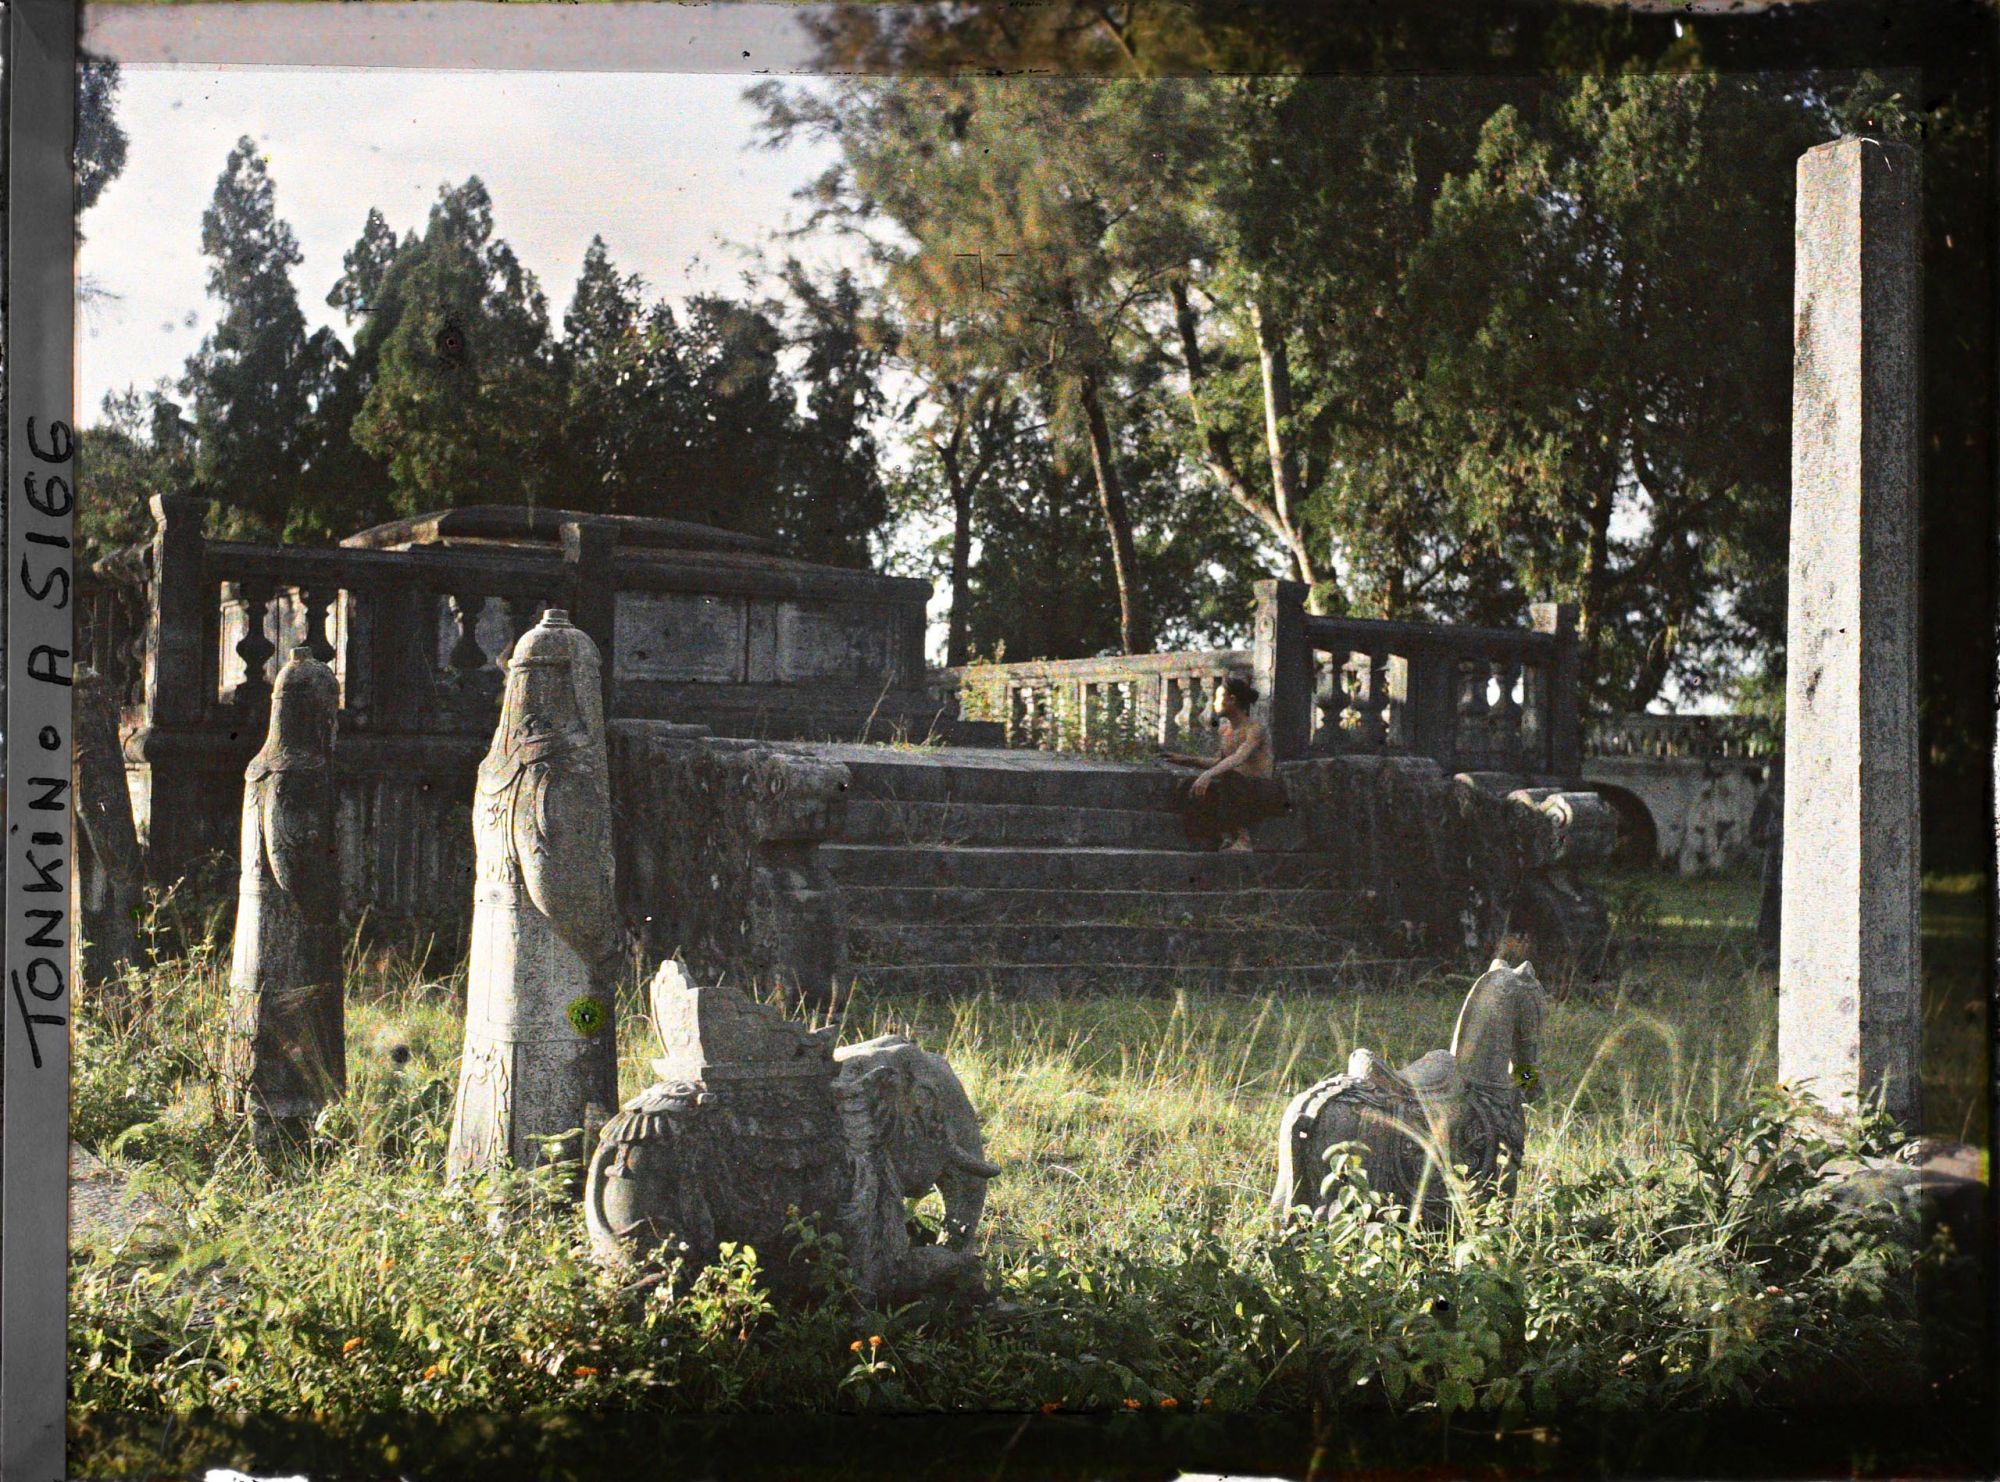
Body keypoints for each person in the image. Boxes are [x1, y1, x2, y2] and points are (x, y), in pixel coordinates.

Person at [1160, 676, 1287, 851]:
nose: (1213, 703)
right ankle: (1214, 838)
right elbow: (1220, 762)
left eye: (1219, 697)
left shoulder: (1255, 728)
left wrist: (1208, 774)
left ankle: (1244, 839)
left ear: (1232, 700)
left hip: (1262, 791)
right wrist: (1186, 759)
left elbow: (1238, 758)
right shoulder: (1226, 730)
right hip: (1235, 787)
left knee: (1228, 777)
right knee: (1189, 786)